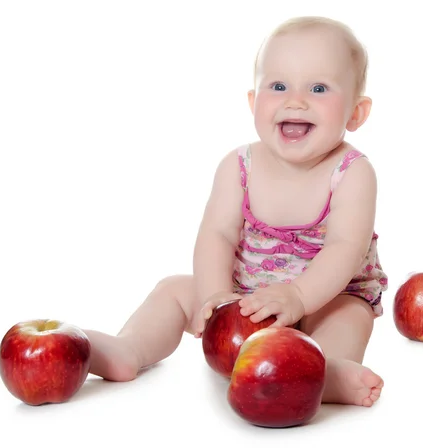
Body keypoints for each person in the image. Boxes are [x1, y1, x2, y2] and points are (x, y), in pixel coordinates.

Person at [83, 15, 389, 408]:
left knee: (350, 316)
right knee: (174, 289)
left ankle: (323, 371)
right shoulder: (238, 166)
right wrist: (217, 298)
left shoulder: (352, 173)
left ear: (356, 113)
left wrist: (298, 297)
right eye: (278, 86)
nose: (295, 100)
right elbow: (218, 234)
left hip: (323, 296)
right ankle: (129, 349)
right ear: (253, 102)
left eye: (318, 87)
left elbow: (345, 248)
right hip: (243, 296)